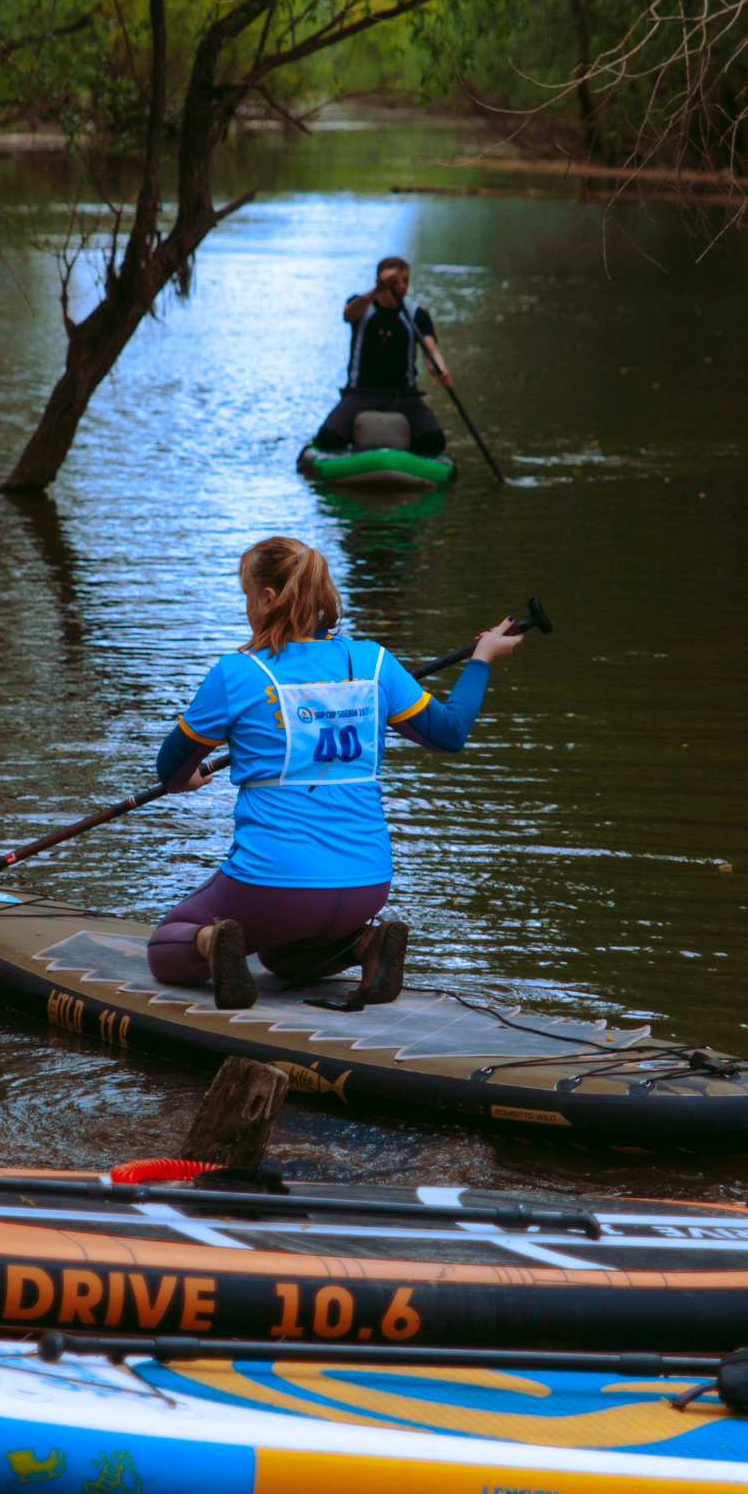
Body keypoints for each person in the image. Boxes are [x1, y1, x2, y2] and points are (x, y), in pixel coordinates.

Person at [146, 536, 523, 1009]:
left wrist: (188, 778)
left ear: (267, 598)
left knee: (166, 946)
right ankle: (364, 944)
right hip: (367, 883)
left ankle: (212, 940)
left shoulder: (237, 672)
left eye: (247, 596)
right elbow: (449, 732)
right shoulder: (373, 661)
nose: (247, 607)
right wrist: (482, 658)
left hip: (274, 885)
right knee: (282, 958)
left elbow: (170, 770)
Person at [313, 256, 452, 456]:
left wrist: (441, 370)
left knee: (434, 441)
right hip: (361, 393)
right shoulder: (362, 307)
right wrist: (377, 290)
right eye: (395, 282)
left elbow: (431, 351)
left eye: (405, 281)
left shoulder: (417, 315)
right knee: (328, 438)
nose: (401, 287)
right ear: (380, 281)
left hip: (404, 395)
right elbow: (348, 315)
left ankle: (409, 457)